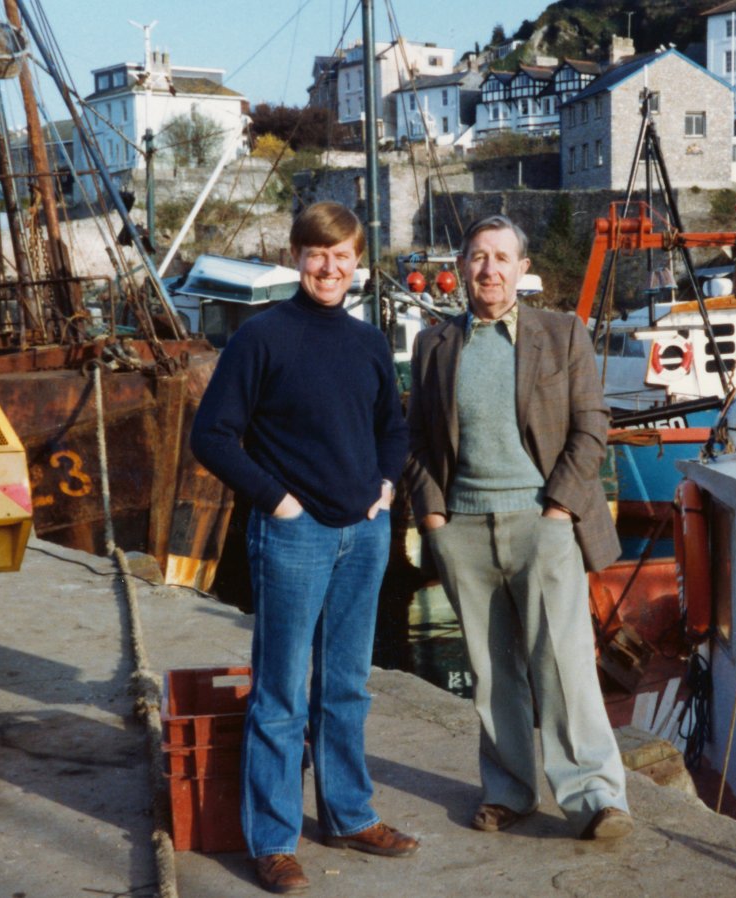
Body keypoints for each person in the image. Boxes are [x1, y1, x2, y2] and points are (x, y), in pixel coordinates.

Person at [190, 201, 416, 895]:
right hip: (294, 535)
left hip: (365, 533)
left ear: (359, 266)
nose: (329, 267)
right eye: (317, 254)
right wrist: (279, 502)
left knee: (346, 685)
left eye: (342, 256)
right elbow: (213, 436)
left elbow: (393, 428)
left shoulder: (368, 341)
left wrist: (383, 487)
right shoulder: (260, 338)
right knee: (283, 692)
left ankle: (349, 814)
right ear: (297, 256)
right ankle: (274, 839)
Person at [404, 214, 632, 841]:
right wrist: (434, 517)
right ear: (462, 268)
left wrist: (558, 511)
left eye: (502, 258)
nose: (490, 271)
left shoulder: (561, 335)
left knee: (563, 665)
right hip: (464, 529)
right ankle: (509, 791)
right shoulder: (434, 345)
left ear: (523, 269)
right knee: (491, 668)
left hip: (541, 523)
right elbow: (417, 438)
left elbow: (592, 428)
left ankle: (595, 799)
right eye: (478, 257)